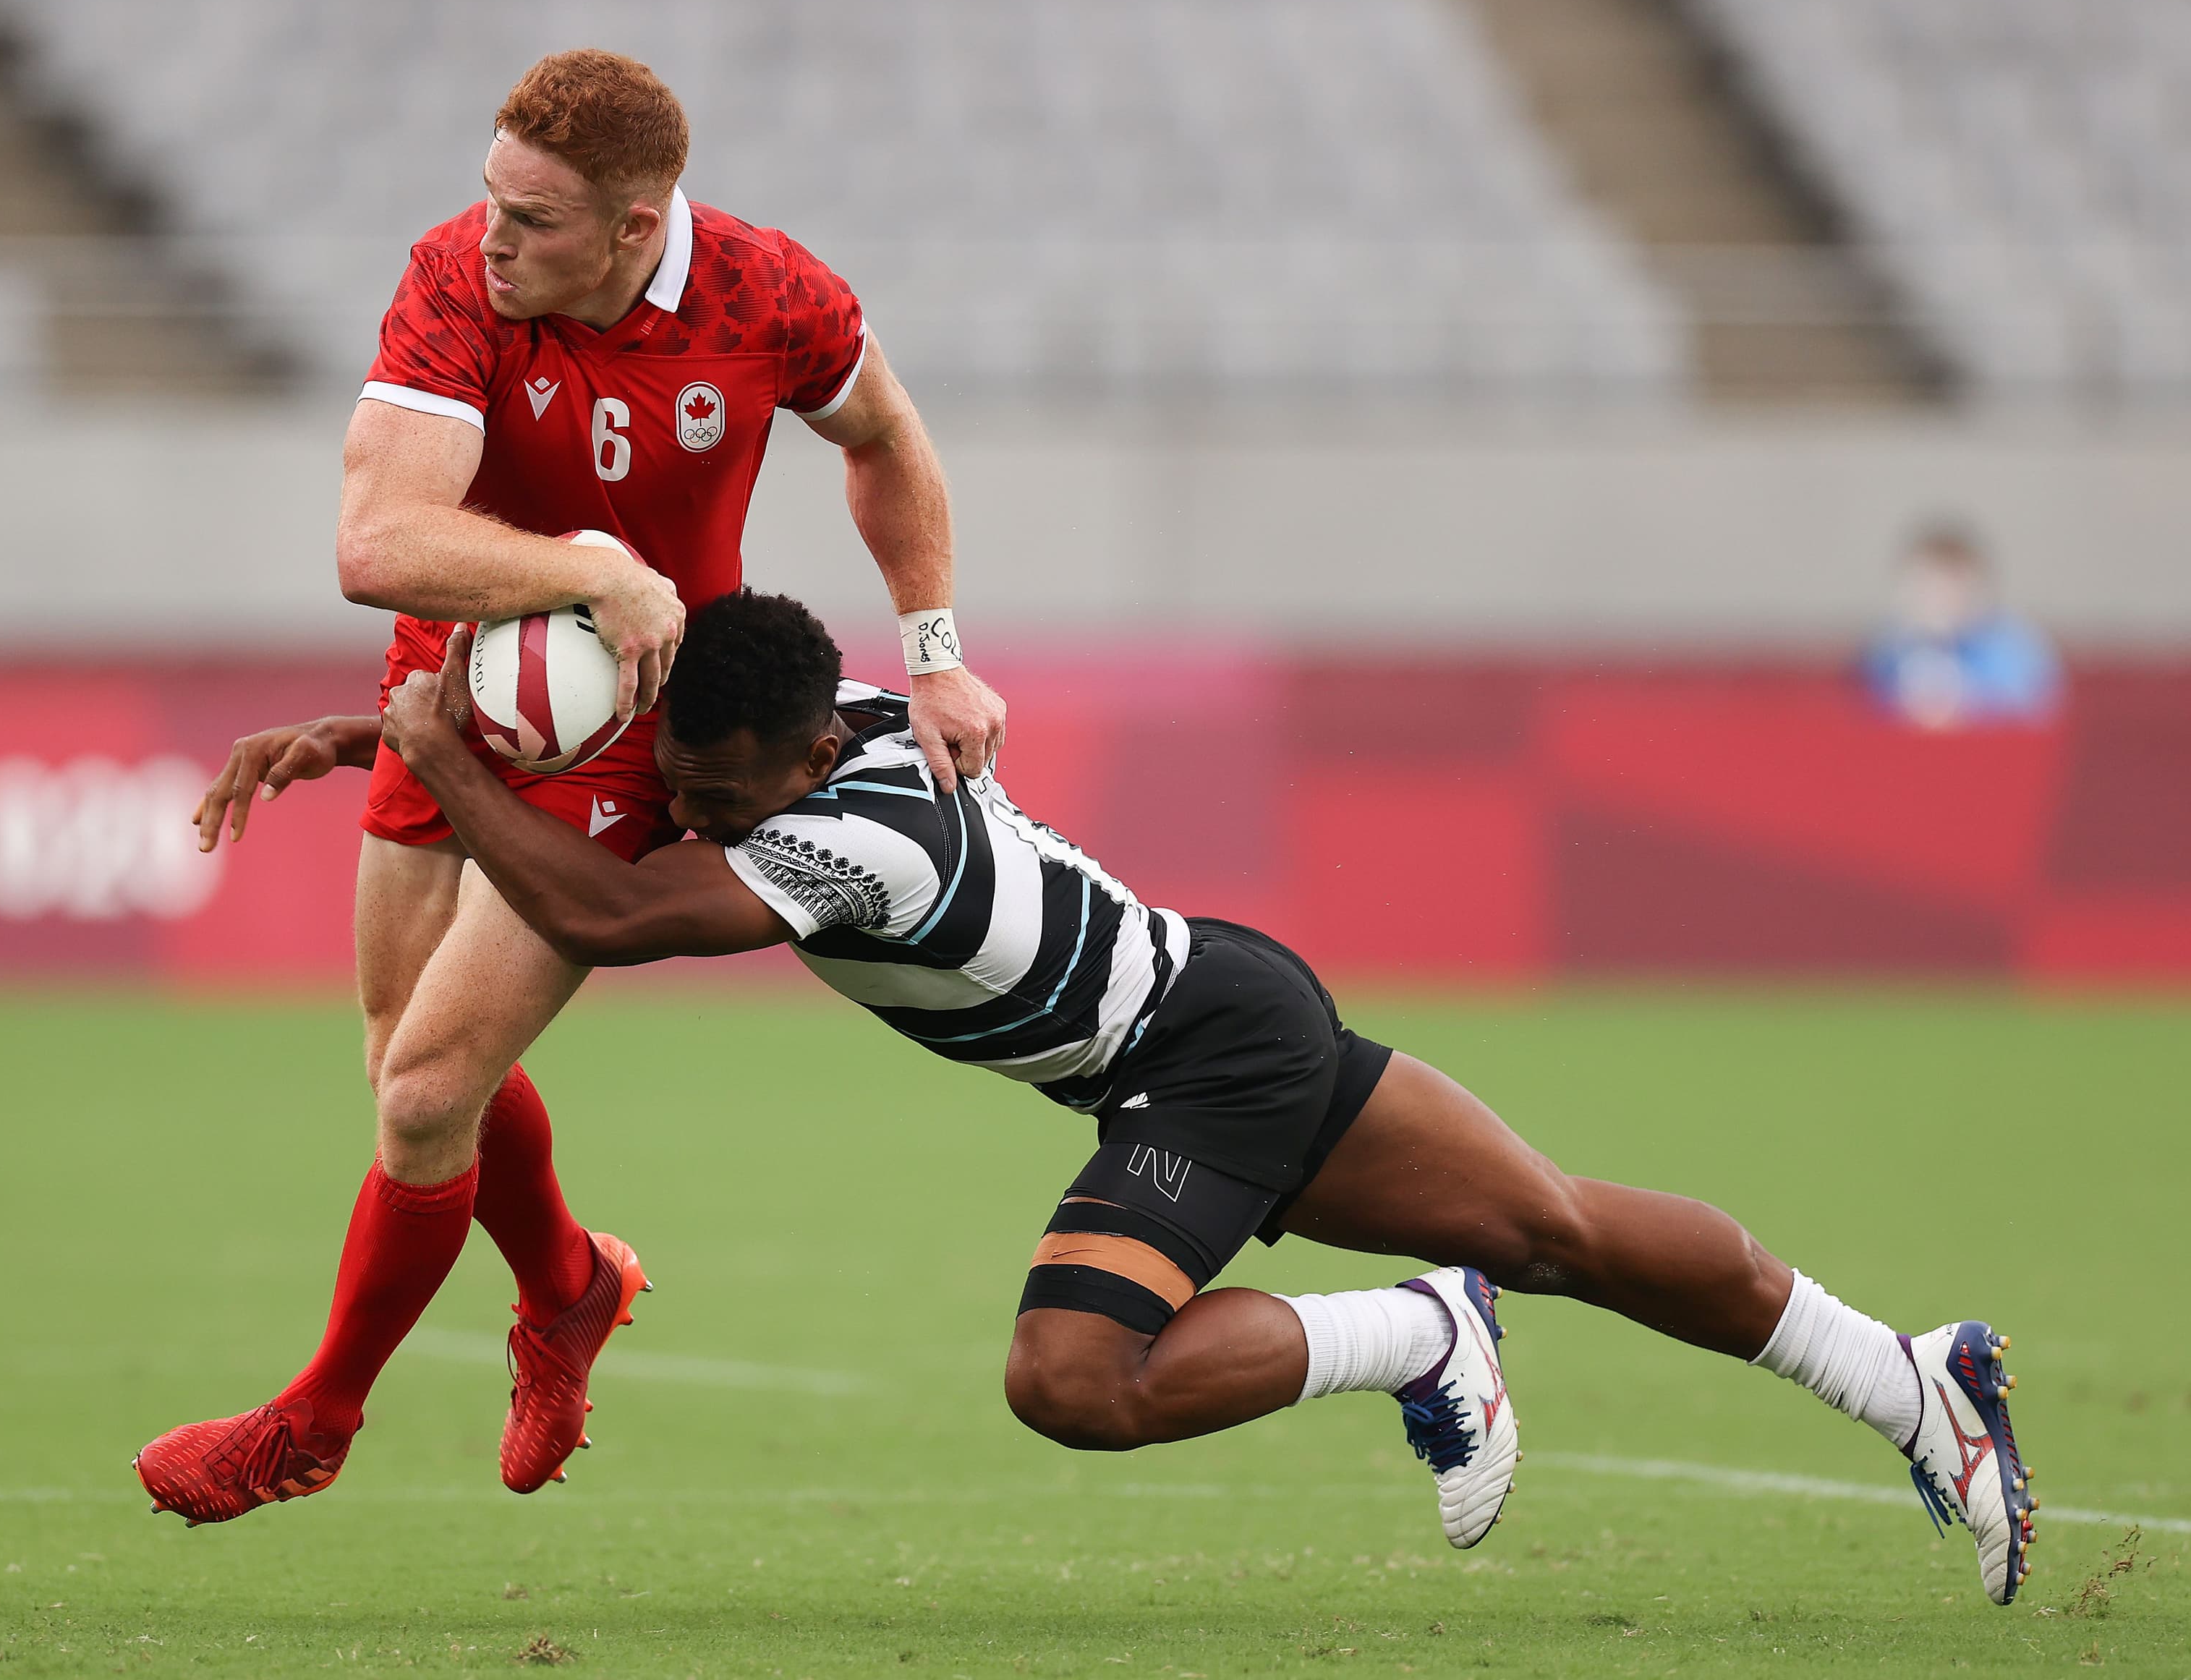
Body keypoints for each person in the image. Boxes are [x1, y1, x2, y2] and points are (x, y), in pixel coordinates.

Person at [265, 589, 2033, 1606]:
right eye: (692, 786)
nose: (703, 811)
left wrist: (431, 753)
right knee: (1557, 1223)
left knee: (1070, 1379)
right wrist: (385, 742)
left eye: (727, 792)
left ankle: (1417, 1337)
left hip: (1189, 1059)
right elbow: (619, 796)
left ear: (805, 757)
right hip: (1219, 1001)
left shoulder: (848, 831)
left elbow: (600, 906)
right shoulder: (817, 719)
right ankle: (1910, 1374)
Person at [134, 51, 1007, 1525]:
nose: (491, 237)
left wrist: (935, 651)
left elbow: (886, 436)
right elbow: (376, 543)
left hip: (641, 720)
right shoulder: (453, 282)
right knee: (405, 1064)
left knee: (423, 1094)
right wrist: (592, 568)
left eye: (533, 219)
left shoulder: (765, 294)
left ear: (637, 225)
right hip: (460, 682)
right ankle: (569, 1279)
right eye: (490, 199)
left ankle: (314, 1417)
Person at [1862, 521, 2062, 730]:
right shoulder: (1891, 647)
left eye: (1951, 590)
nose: (1939, 603)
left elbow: (2036, 706)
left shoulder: (2014, 645)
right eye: (1926, 591)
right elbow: (1872, 706)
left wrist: (1967, 701)